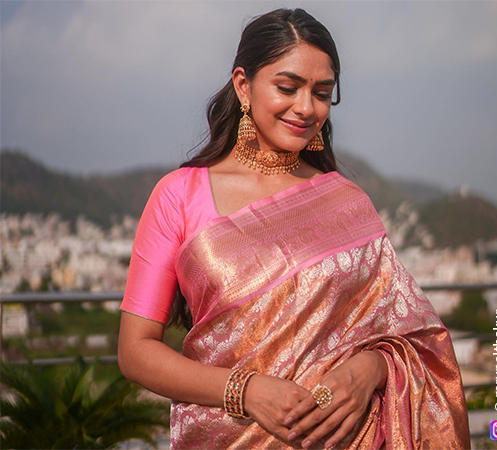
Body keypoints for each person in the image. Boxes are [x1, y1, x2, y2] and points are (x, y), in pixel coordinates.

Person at [118, 8, 470, 450]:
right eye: (288, 87)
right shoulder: (179, 196)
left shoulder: (346, 201)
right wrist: (245, 390)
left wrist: (372, 370)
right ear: (243, 85)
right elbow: (135, 352)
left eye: (322, 93)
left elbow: (417, 338)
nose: (306, 108)